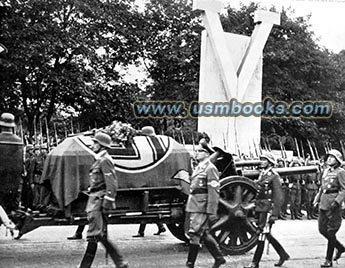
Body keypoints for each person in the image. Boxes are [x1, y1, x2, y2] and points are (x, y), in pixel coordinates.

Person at [78, 132, 128, 268]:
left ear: (101, 146)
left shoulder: (105, 160)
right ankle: (120, 262)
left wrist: (106, 204)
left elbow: (112, 184)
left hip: (98, 201)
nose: (92, 145)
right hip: (94, 200)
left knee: (95, 234)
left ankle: (119, 261)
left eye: (95, 143)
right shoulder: (99, 159)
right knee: (97, 235)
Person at [244, 152, 289, 268]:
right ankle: (283, 254)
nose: (262, 161)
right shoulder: (262, 174)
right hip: (260, 208)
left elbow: (279, 198)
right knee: (266, 233)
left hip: (268, 209)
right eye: (261, 159)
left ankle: (255, 262)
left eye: (264, 160)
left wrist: (274, 214)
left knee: (262, 234)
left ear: (270, 162)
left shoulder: (274, 176)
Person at [185, 143, 226, 268]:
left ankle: (190, 263)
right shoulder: (199, 167)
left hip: (202, 206)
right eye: (196, 151)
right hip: (194, 204)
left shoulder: (210, 168)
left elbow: (213, 191)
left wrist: (211, 211)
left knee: (194, 233)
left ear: (207, 154)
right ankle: (219, 258)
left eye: (200, 151)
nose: (196, 153)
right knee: (202, 233)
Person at [313, 149, 345, 267]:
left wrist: (337, 202)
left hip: (333, 205)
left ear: (338, 160)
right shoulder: (326, 171)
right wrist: (316, 200)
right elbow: (322, 188)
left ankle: (328, 260)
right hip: (324, 203)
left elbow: (343, 189)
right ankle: (340, 247)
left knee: (331, 232)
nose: (329, 159)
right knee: (322, 230)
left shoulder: (340, 172)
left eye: (332, 158)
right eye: (328, 157)